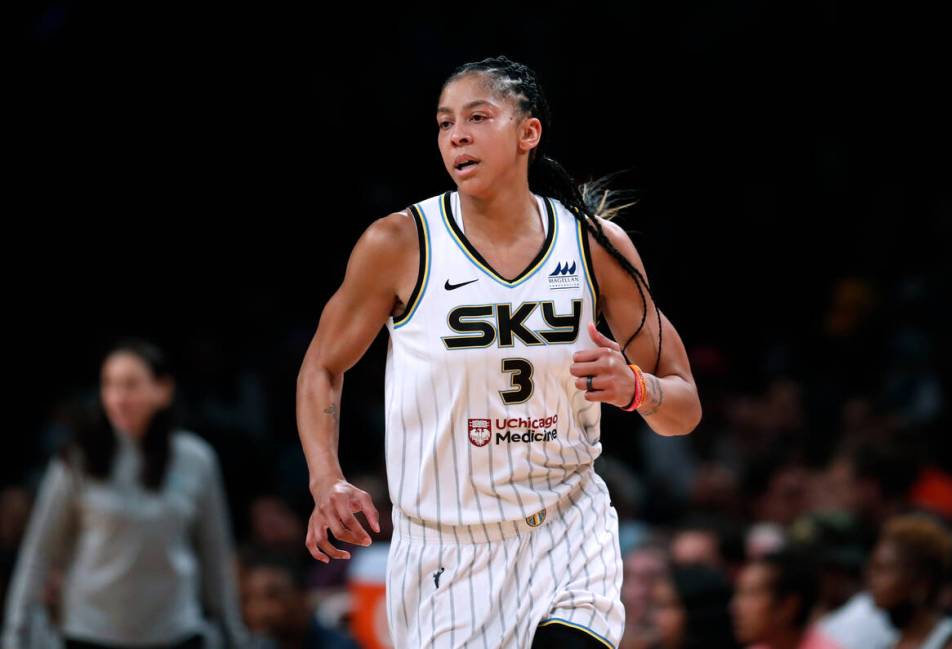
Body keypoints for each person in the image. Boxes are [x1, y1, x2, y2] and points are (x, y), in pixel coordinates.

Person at [295, 55, 702, 649]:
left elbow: (684, 407)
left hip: (566, 525)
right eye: (444, 123)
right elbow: (321, 368)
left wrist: (636, 387)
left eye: (477, 116)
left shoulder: (594, 245)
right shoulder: (399, 243)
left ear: (527, 134)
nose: (456, 134)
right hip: (446, 551)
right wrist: (325, 480)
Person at [2, 339, 251, 649]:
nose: (119, 397)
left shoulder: (197, 459)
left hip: (175, 630)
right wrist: (15, 634)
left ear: (163, 391)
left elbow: (215, 553)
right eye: (110, 385)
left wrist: (233, 634)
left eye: (131, 385)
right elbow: (38, 552)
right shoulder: (75, 460)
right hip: (89, 631)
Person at [868, 514, 952, 649]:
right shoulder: (886, 641)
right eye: (873, 568)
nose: (872, 578)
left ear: (921, 581)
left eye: (884, 570)